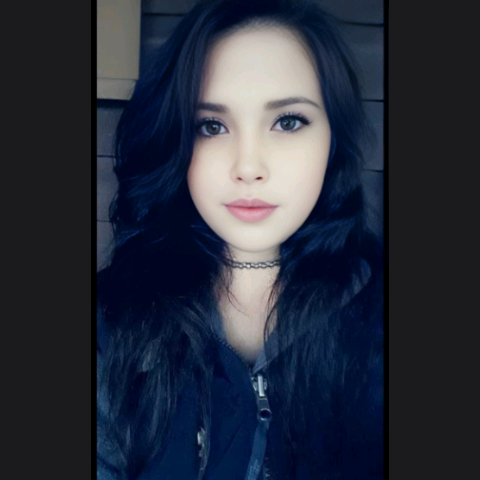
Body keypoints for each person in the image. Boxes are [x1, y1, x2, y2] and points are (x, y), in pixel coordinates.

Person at [97, 0, 384, 479]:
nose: (248, 167)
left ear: (333, 138)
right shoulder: (112, 318)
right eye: (212, 126)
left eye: (288, 121)